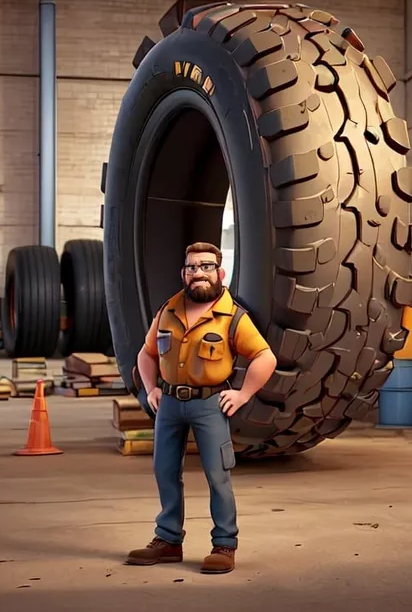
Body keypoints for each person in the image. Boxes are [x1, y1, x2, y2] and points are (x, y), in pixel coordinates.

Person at [126, 241, 277, 574]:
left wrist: (243, 394)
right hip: (168, 406)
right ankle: (167, 540)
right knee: (165, 472)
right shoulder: (168, 311)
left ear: (220, 273)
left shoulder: (232, 317)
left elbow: (265, 356)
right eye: (192, 267)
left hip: (209, 404)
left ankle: (224, 544)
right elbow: (146, 353)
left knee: (217, 475)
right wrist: (150, 388)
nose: (199, 273)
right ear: (184, 273)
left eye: (206, 266)